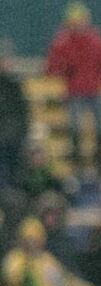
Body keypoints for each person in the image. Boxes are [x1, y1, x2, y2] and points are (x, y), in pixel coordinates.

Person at [43, 4, 101, 173]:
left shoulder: (96, 40)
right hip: (75, 92)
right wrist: (66, 69)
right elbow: (51, 67)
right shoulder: (62, 41)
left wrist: (98, 77)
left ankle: (99, 163)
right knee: (75, 128)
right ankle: (77, 163)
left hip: (94, 91)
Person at [0, 42, 29, 194]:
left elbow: (23, 111)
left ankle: (14, 193)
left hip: (14, 135)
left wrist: (23, 132)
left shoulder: (14, 84)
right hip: (4, 136)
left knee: (15, 168)